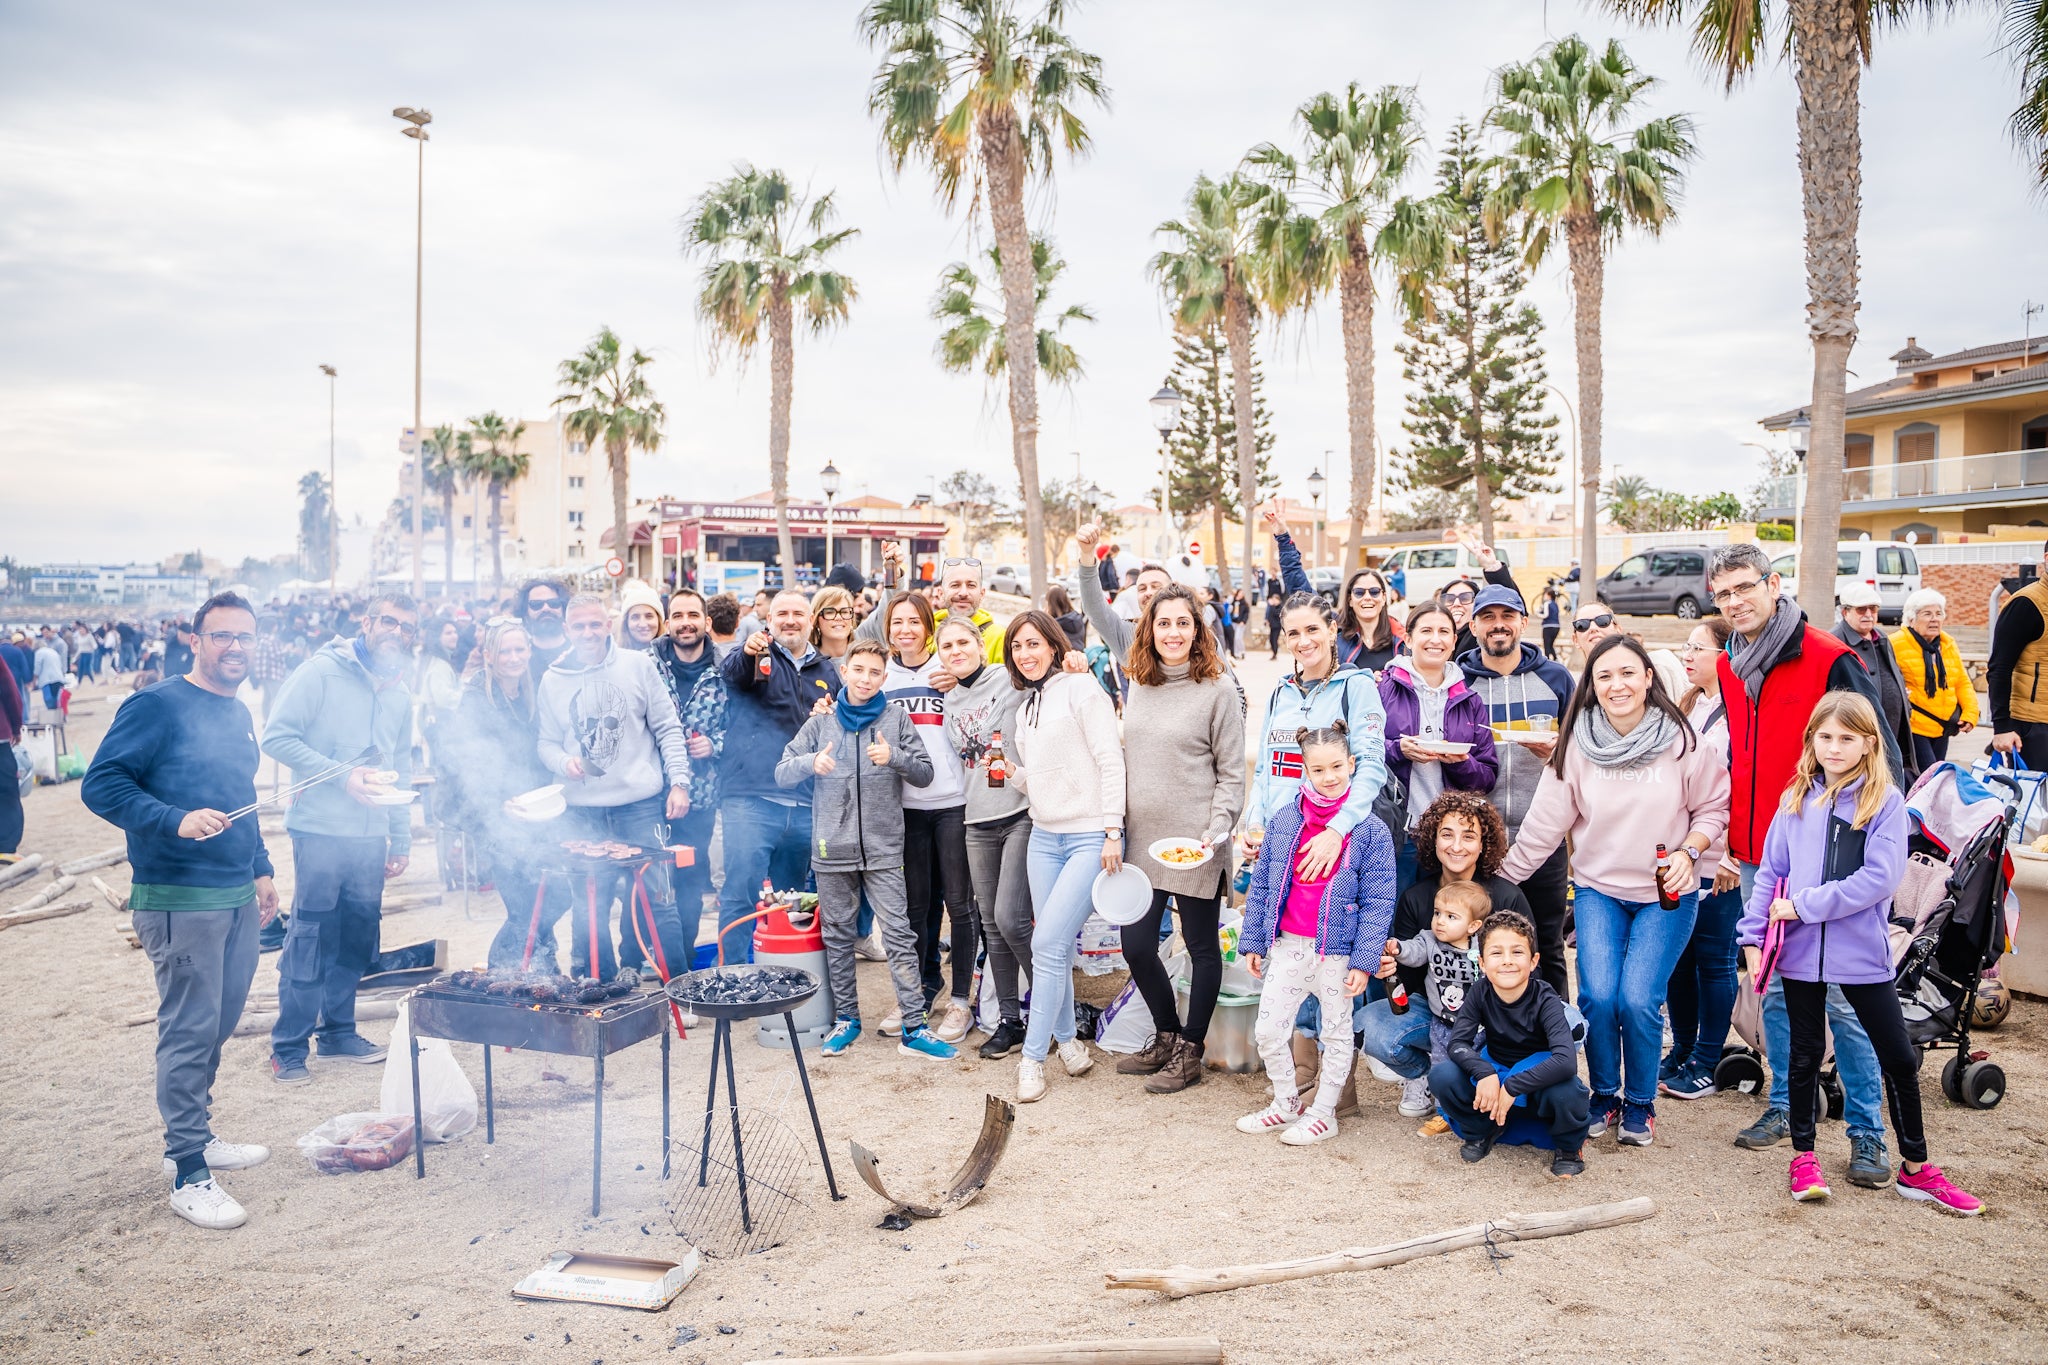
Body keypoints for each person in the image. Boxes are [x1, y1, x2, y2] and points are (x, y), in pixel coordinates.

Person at [81, 592, 281, 1229]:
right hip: (177, 896)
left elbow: (239, 793)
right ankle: (188, 1168)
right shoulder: (156, 704)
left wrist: (261, 868)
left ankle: (198, 1128)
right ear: (194, 640)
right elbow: (102, 783)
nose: (235, 648)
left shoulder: (239, 710)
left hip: (234, 893)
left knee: (219, 1020)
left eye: (245, 637)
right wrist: (174, 820)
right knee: (189, 1028)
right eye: (222, 637)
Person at [1739, 692, 1982, 1214]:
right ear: (1812, 740)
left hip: (1861, 955)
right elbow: (1769, 874)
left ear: (1869, 742)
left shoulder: (1885, 802)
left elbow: (1878, 879)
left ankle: (1916, 1168)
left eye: (1846, 738)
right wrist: (1753, 937)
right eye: (1824, 737)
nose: (1833, 747)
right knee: (1803, 1057)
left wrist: (1803, 907)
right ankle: (1803, 1158)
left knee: (1895, 1054)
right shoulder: (1795, 798)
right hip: (1799, 954)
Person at [1710, 541, 1897, 1179]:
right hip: (1765, 854)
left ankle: (1869, 1132)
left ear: (1773, 583)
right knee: (1782, 994)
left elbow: (1882, 752)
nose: (1734, 602)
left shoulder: (1829, 656)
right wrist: (1736, 846)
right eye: (1723, 593)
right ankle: (1789, 1107)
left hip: (1836, 858)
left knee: (1846, 999)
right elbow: (1742, 757)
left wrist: (1865, 843)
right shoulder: (1733, 665)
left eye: (1744, 588)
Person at [1499, 634, 1728, 1148]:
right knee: (1599, 998)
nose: (1617, 684)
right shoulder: (1577, 745)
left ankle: (1641, 1104)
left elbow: (1714, 808)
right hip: (1599, 891)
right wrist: (1500, 881)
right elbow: (1544, 826)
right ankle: (1604, 1095)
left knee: (1638, 998)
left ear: (1649, 676)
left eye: (1628, 672)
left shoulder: (1682, 740)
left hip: (1665, 893)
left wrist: (1691, 854)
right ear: (1591, 686)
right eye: (1604, 676)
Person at [259, 592, 417, 1084]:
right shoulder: (319, 672)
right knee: (310, 935)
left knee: (358, 933)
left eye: (407, 627)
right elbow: (277, 737)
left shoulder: (400, 692)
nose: (397, 632)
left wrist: (402, 836)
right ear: (367, 622)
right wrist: (341, 776)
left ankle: (338, 1032)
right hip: (321, 829)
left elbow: (400, 766)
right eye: (389, 621)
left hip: (371, 835)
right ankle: (288, 1046)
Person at [778, 639, 953, 1060]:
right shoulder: (821, 723)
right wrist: (809, 764)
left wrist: (894, 758)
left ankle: (915, 1027)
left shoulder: (896, 720)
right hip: (831, 847)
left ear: (884, 677)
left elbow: (926, 773)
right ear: (844, 672)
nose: (866, 679)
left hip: (884, 848)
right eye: (859, 670)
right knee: (838, 936)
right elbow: (782, 771)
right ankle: (847, 1020)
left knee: (898, 934)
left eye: (875, 673)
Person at [1235, 722, 1395, 1144]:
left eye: (1337, 767)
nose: (1329, 777)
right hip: (1288, 945)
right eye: (1318, 769)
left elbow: (1379, 902)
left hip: (1336, 953)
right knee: (1268, 1030)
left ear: (1352, 764)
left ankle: (1324, 1113)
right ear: (1304, 769)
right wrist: (1253, 940)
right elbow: (1264, 883)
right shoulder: (1286, 819)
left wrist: (1364, 960)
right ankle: (1286, 1102)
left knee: (1336, 1034)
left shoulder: (1370, 830)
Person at [1114, 586, 1246, 1093]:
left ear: (1198, 630)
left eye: (1183, 623)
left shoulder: (1217, 689)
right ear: (1150, 629)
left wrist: (1215, 833)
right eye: (1163, 623)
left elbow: (1232, 773)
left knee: (1199, 945)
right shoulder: (1138, 685)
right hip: (1142, 842)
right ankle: (1166, 1033)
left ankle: (1192, 1049)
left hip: (1196, 840)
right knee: (1137, 944)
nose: (1173, 633)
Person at [537, 595, 693, 982]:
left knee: (660, 899)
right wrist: (562, 763)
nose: (588, 633)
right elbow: (546, 743)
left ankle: (680, 987)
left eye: (594, 624)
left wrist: (679, 783)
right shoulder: (552, 678)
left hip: (639, 804)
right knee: (589, 905)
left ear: (608, 624)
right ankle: (600, 986)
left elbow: (668, 728)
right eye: (579, 627)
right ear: (567, 631)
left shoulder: (638, 665)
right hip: (581, 810)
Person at [1004, 609, 1124, 1103]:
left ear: (1054, 646)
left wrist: (1113, 830)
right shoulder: (1022, 709)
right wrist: (1013, 772)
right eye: (1017, 647)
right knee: (1051, 947)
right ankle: (1071, 1043)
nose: (1026, 654)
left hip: (1088, 836)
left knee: (1048, 944)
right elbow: (1041, 777)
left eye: (1034, 644)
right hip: (1043, 835)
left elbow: (1109, 758)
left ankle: (1033, 1060)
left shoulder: (1081, 688)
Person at [1361, 790, 1534, 1123]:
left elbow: (1530, 969)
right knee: (1371, 1025)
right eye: (1447, 834)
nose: (1456, 846)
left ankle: (1497, 1076)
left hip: (1498, 1012)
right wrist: (1391, 963)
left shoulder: (1507, 896)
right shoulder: (1417, 897)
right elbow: (1408, 982)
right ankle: (1424, 1074)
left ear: (1483, 844)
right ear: (1433, 840)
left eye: (1468, 836)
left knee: (1567, 1020)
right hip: (1439, 1010)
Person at [1456, 584, 1573, 994]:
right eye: (1488, 617)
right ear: (1473, 625)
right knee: (1480, 943)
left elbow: (1579, 753)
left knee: (1547, 942)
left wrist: (1555, 754)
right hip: (1477, 841)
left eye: (1508, 616)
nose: (1498, 625)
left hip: (1542, 835)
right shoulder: (1458, 679)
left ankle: (1560, 1031)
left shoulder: (1556, 678)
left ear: (1524, 622)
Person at [718, 589, 841, 963]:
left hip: (804, 802)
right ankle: (733, 976)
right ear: (769, 620)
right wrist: (747, 651)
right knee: (742, 892)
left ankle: (780, 971)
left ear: (811, 621)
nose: (790, 620)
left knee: (790, 896)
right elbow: (731, 673)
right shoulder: (757, 655)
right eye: (781, 613)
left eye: (798, 614)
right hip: (751, 798)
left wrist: (829, 714)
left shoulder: (827, 670)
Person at [440, 620, 571, 971]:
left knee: (556, 893)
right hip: (493, 817)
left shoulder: (530, 692)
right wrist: (497, 802)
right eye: (505, 651)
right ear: (489, 656)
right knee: (523, 908)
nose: (513, 658)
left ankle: (540, 961)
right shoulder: (476, 697)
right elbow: (466, 761)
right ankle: (508, 974)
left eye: (519, 650)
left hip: (535, 812)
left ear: (529, 652)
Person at [881, 591, 978, 1041]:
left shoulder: (947, 669)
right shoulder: (881, 676)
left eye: (914, 622)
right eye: (896, 621)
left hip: (953, 802)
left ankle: (961, 1000)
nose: (905, 630)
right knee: (916, 908)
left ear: (928, 627)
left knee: (959, 904)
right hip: (906, 807)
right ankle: (919, 990)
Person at [1430, 911, 1592, 1177]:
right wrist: (1484, 1072)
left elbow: (1565, 1060)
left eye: (1517, 952)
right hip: (1496, 1068)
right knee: (1442, 1075)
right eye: (1496, 953)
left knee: (1567, 1091)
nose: (1507, 961)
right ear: (1481, 962)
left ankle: (1568, 1148)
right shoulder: (1481, 991)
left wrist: (1514, 1085)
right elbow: (1458, 1042)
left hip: (1537, 1080)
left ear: (1533, 961)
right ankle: (1483, 1130)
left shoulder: (1545, 998)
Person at [1246, 592, 1389, 887]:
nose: (1304, 641)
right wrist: (1254, 822)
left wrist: (1338, 830)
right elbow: (1264, 769)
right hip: (1277, 845)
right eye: (1294, 633)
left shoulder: (1358, 687)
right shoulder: (1280, 692)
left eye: (1312, 629)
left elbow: (1371, 767)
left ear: (1332, 630)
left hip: (1329, 845)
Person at [1660, 616, 1744, 1103]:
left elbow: (1750, 788)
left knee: (1714, 961)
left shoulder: (1741, 711)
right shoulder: (1693, 705)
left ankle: (1709, 1059)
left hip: (1720, 859)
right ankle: (1685, 1049)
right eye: (1685, 646)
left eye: (1697, 647)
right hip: (1683, 855)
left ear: (1726, 655)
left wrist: (1734, 854)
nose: (1687, 655)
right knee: (1678, 961)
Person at [941, 617, 1030, 1058]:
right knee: (991, 925)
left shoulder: (1008, 678)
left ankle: (1052, 1012)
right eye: (947, 645)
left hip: (1019, 813)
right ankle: (1011, 1021)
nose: (956, 651)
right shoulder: (950, 699)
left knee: (1012, 919)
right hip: (976, 820)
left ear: (980, 644)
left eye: (963, 642)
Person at [1379, 602, 1498, 896]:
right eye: (1426, 631)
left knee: (1447, 922)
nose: (1436, 639)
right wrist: (1398, 749)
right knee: (1396, 923)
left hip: (1449, 839)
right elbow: (1359, 750)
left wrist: (1460, 762)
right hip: (1399, 831)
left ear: (1454, 640)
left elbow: (1487, 776)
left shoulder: (1470, 700)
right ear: (1408, 639)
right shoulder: (1382, 688)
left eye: (1444, 631)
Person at [650, 589, 727, 959]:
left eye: (693, 615)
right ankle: (645, 958)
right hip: (649, 794)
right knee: (648, 882)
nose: (685, 623)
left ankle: (680, 960)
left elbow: (744, 726)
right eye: (677, 616)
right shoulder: (646, 664)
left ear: (706, 622)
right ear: (668, 623)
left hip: (701, 797)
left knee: (691, 883)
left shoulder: (726, 667)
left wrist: (716, 744)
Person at [1372, 880, 1491, 1104]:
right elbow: (1414, 952)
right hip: (1442, 1023)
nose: (1440, 922)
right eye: (1437, 913)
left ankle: (1474, 1105)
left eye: (1451, 917)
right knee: (1442, 1065)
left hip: (1479, 1025)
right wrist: (1398, 947)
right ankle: (1445, 1108)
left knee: (1478, 1063)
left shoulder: (1482, 945)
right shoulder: (1429, 940)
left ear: (1473, 926)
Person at [1832, 582, 1916, 782]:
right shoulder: (1835, 641)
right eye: (1862, 609)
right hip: (1860, 735)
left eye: (1873, 609)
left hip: (1893, 730)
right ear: (1845, 612)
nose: (1868, 614)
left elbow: (1894, 673)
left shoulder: (1882, 638)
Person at [867, 544, 1004, 661]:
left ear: (982, 593)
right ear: (941, 593)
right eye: (955, 585)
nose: (963, 593)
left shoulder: (1000, 637)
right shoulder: (924, 633)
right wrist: (893, 572)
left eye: (971, 585)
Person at [1891, 588, 1976, 772]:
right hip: (1914, 728)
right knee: (1931, 775)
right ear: (1911, 618)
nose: (1935, 619)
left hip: (1942, 727)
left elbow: (1961, 680)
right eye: (1927, 614)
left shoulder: (1948, 644)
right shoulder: (1894, 644)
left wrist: (1970, 713)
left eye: (1939, 613)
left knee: (1934, 778)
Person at [1988, 537, 2048, 767]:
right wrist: (2002, 727)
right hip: (2033, 726)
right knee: (2033, 801)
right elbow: (1999, 668)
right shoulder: (2026, 603)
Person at [514, 578, 573, 684]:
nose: (546, 608)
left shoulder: (578, 652)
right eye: (536, 604)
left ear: (564, 609)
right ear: (525, 612)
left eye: (553, 603)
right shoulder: (518, 659)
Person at [808, 585, 858, 661]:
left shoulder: (865, 652)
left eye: (844, 611)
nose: (839, 617)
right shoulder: (806, 662)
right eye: (830, 612)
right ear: (815, 620)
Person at [617, 582, 665, 652]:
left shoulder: (676, 656)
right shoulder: (615, 659)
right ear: (626, 622)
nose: (643, 624)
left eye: (649, 616)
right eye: (635, 617)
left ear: (659, 620)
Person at [1044, 584, 1087, 650]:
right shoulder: (1077, 618)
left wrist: (1045, 618)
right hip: (1079, 657)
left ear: (1051, 604)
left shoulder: (1053, 627)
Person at [33, 630, 64, 714]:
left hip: (47, 680)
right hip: (58, 678)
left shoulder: (39, 653)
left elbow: (37, 668)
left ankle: (52, 717)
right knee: (57, 700)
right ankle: (59, 717)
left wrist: (34, 680)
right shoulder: (53, 651)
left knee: (49, 700)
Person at [1540, 585, 1561, 660]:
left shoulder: (1547, 604)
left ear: (1549, 595)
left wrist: (1538, 614)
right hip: (1556, 626)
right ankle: (1555, 659)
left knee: (1546, 645)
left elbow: (1545, 615)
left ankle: (1547, 660)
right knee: (1551, 645)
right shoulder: (1555, 604)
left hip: (1548, 626)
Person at [1264, 588, 1284, 661]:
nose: (1274, 601)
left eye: (1275, 600)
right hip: (1272, 626)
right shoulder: (1272, 607)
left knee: (1274, 640)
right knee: (1271, 640)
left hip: (1277, 626)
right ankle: (1273, 652)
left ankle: (1275, 654)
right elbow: (1268, 614)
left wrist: (1271, 606)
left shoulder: (1280, 607)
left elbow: (1276, 613)